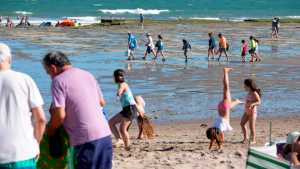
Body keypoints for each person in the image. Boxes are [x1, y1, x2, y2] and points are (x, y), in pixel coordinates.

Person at [42, 51, 112, 169]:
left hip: (84, 139)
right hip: (105, 134)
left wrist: (50, 130)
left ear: (53, 68)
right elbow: (101, 102)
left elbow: (60, 115)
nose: (50, 76)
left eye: (48, 72)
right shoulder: (87, 74)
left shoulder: (58, 80)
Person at [0, 43, 46, 169]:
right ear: (9, 59)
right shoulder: (24, 80)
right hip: (21, 154)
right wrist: (36, 144)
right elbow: (40, 119)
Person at [206, 68, 242, 150]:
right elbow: (215, 138)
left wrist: (220, 146)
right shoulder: (214, 128)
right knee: (226, 89)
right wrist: (210, 146)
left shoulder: (219, 130)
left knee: (226, 87)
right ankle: (236, 101)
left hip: (224, 107)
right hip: (221, 108)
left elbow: (221, 138)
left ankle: (225, 71)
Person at [109, 69, 138, 151]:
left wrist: (119, 93)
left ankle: (127, 146)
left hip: (130, 109)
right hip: (126, 109)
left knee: (122, 129)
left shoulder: (123, 84)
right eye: (119, 76)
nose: (120, 77)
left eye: (121, 76)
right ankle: (119, 140)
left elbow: (121, 90)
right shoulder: (120, 84)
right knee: (111, 123)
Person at [240, 79, 261, 144]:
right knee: (242, 123)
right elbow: (248, 101)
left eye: (245, 86)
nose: (244, 87)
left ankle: (253, 140)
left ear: (249, 86)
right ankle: (245, 138)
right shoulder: (248, 93)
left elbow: (259, 102)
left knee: (251, 127)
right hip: (246, 111)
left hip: (252, 112)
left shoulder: (254, 93)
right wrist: (242, 102)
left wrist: (252, 104)